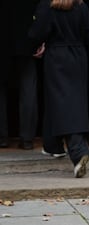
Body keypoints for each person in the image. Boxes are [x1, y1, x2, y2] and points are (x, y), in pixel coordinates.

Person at [28, 0, 89, 178]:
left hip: (56, 56)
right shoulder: (81, 6)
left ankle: (79, 151)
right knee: (65, 101)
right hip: (78, 56)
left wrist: (40, 44)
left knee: (62, 103)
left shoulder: (47, 5)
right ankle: (53, 145)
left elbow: (37, 32)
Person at [0, 1, 39, 150]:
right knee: (28, 88)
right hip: (26, 39)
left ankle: (2, 138)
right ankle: (27, 138)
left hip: (3, 38)